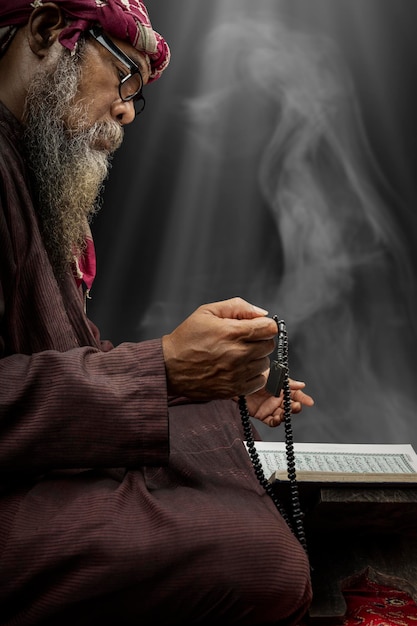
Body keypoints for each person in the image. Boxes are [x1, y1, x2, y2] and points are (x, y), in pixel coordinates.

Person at [0, 1, 314, 624]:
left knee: (213, 426)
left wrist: (218, 382)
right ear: (43, 32)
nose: (124, 111)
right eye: (122, 77)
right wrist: (165, 371)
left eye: (136, 97)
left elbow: (68, 358)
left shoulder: (28, 173)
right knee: (262, 562)